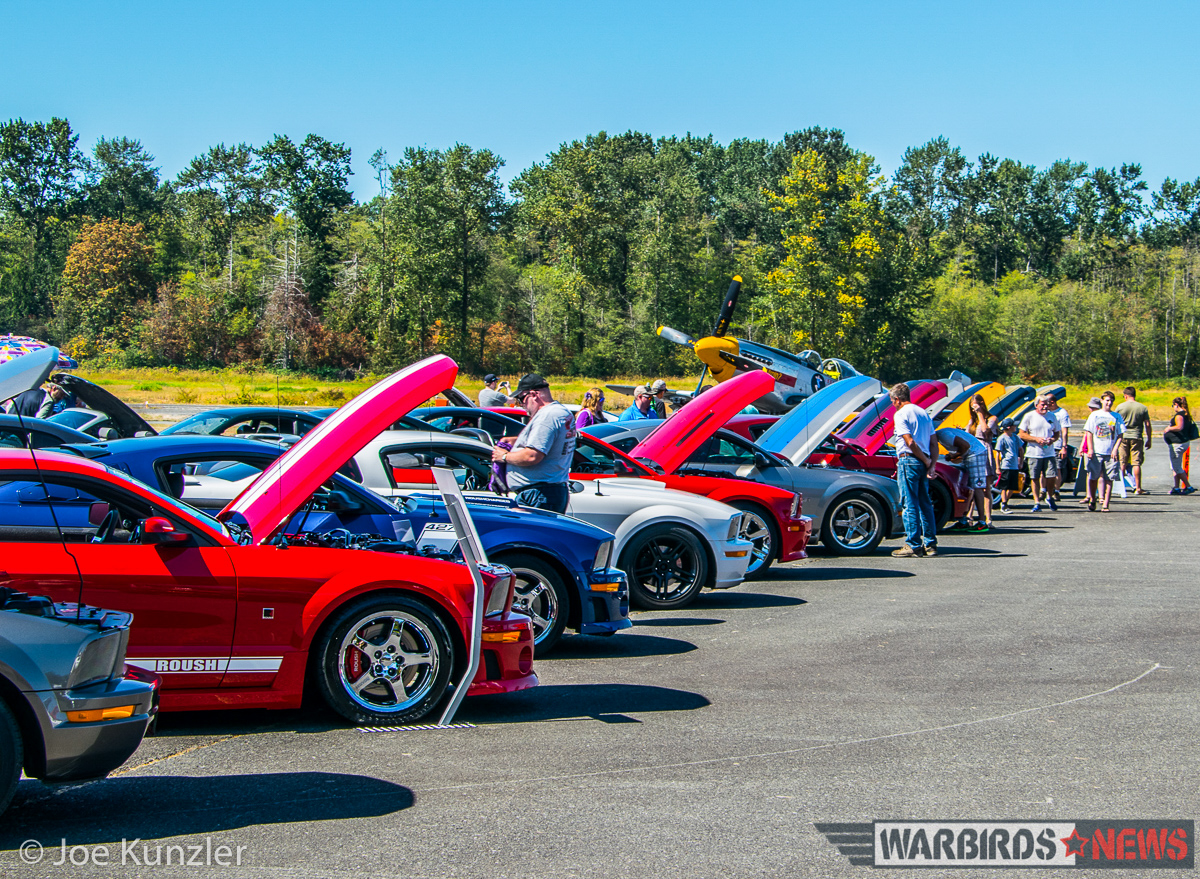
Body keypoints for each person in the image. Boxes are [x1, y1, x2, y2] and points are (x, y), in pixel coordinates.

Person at [491, 374, 577, 513]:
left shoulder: (547, 417)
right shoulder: (561, 412)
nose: (521, 404)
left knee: (529, 534)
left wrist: (504, 456)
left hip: (538, 494)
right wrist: (517, 441)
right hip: (547, 491)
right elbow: (551, 441)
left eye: (521, 399)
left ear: (534, 395)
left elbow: (532, 456)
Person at [889, 383, 938, 558]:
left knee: (909, 503)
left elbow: (909, 441)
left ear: (896, 399)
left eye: (892, 401)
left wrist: (925, 460)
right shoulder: (923, 413)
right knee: (925, 504)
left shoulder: (901, 414)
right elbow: (933, 442)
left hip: (908, 460)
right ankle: (931, 544)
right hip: (923, 461)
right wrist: (930, 464)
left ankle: (913, 544)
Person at [934, 426, 992, 530]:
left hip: (976, 453)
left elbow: (966, 446)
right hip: (970, 454)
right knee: (967, 486)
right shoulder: (940, 435)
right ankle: (963, 521)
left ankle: (982, 522)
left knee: (976, 486)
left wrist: (953, 456)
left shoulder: (943, 435)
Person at [1082, 390, 1123, 512]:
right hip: (1097, 451)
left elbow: (1120, 435)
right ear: (1102, 401)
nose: (1109, 403)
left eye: (1111, 401)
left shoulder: (1116, 416)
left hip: (1110, 452)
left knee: (1109, 478)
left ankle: (1106, 503)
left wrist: (1115, 449)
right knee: (1093, 477)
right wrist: (1090, 449)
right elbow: (1089, 433)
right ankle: (1093, 499)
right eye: (1107, 400)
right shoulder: (1095, 415)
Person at [1019, 394, 1060, 512]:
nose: (1045, 407)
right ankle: (1036, 501)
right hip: (1034, 453)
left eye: (1047, 404)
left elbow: (1057, 433)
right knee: (1035, 477)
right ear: (1036, 405)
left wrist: (1052, 440)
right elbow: (1022, 434)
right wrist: (1036, 439)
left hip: (1049, 452)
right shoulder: (1029, 416)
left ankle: (1049, 496)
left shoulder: (1052, 416)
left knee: (1051, 475)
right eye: (1043, 404)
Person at [1114, 386, 1152, 494]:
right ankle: (1138, 488)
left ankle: (1119, 487)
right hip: (1137, 436)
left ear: (1125, 396)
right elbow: (1147, 424)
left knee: (1122, 462)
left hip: (1123, 436)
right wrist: (1149, 439)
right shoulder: (1142, 407)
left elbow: (1115, 422)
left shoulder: (1120, 407)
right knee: (1136, 462)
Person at [966, 393, 999, 491]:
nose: (974, 410)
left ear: (982, 404)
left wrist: (980, 413)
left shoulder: (992, 419)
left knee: (986, 488)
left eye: (975, 406)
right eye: (972, 408)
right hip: (973, 451)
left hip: (984, 449)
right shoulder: (972, 421)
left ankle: (987, 506)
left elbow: (985, 431)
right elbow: (967, 436)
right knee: (974, 487)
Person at [1164, 396, 1195, 495]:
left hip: (1178, 443)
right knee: (1175, 466)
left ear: (1176, 405)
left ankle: (1188, 486)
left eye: (1173, 405)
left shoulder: (1179, 415)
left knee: (1176, 467)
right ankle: (1176, 487)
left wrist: (1169, 428)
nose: (1173, 407)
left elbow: (1179, 427)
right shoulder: (1185, 414)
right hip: (1180, 443)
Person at [1075, 397, 1102, 505]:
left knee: (1099, 473)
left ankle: (1100, 495)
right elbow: (1086, 433)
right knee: (1089, 472)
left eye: (1092, 407)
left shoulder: (1100, 416)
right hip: (1087, 447)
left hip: (1098, 447)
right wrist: (1082, 446)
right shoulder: (1091, 417)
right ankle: (1089, 495)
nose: (1090, 409)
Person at [995, 418, 1023, 514]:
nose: (1016, 427)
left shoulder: (1015, 437)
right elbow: (998, 453)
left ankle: (1005, 501)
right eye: (1014, 425)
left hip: (1014, 465)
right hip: (1006, 465)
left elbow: (1021, 449)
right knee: (1004, 486)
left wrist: (1021, 461)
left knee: (1012, 486)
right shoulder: (1002, 438)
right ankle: (1003, 503)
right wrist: (998, 467)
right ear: (1008, 427)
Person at [1045, 397, 1071, 499]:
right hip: (1045, 445)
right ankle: (1044, 490)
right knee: (1044, 470)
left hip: (1057, 445)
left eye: (1046, 403)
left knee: (1057, 469)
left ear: (1052, 402)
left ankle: (1056, 491)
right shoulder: (1045, 412)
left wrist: (1064, 446)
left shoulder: (1062, 413)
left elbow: (1064, 431)